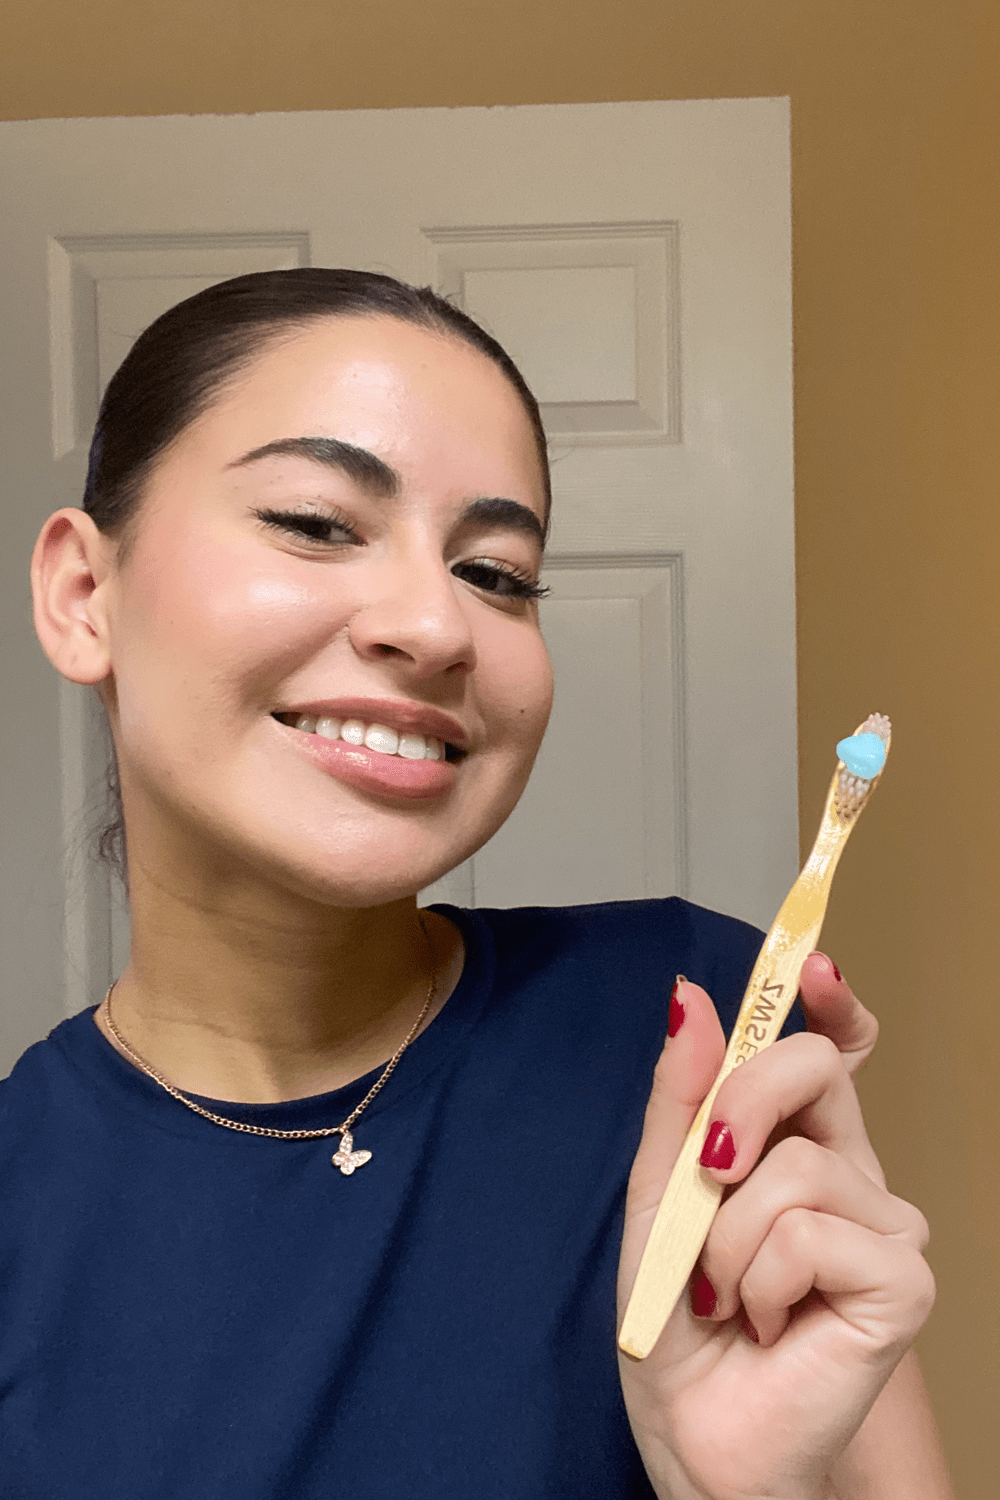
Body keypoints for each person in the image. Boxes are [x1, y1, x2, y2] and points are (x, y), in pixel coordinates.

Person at [3, 268, 952, 1498]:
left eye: (496, 573)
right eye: (316, 521)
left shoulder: (696, 1037)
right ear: (86, 595)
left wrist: (743, 1488)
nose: (438, 626)